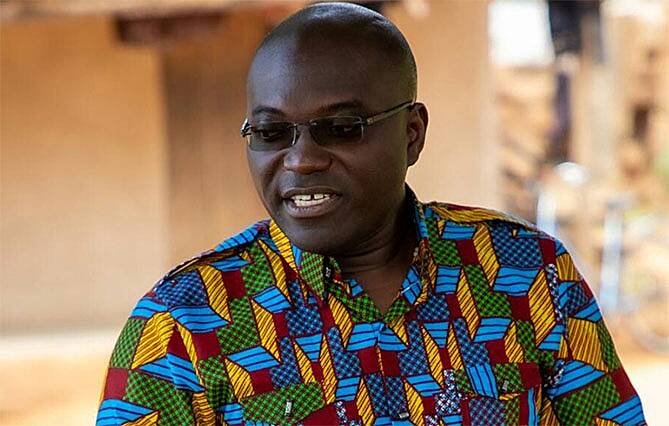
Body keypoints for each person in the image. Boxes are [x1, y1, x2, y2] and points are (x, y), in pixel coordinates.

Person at [96, 3, 645, 425]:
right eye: (271, 132)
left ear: (412, 134)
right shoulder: (183, 326)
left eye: (341, 128)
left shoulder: (527, 276)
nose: (301, 159)